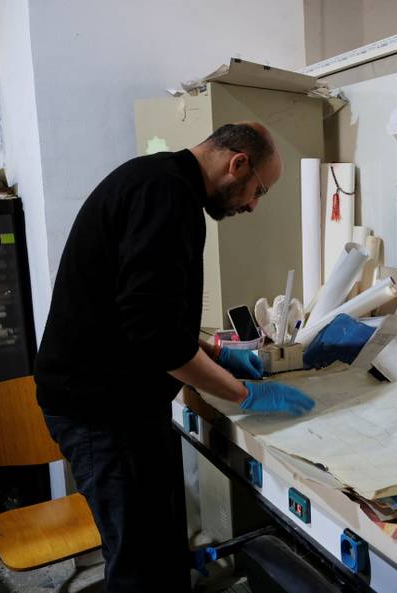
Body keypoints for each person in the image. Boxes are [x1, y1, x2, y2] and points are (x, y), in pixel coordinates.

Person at [34, 122, 315, 593]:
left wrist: (219, 356)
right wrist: (245, 394)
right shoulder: (165, 197)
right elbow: (154, 336)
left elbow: (155, 318)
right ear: (237, 163)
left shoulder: (162, 182)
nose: (252, 204)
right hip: (99, 412)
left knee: (161, 548)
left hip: (127, 406)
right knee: (139, 566)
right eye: (258, 191)